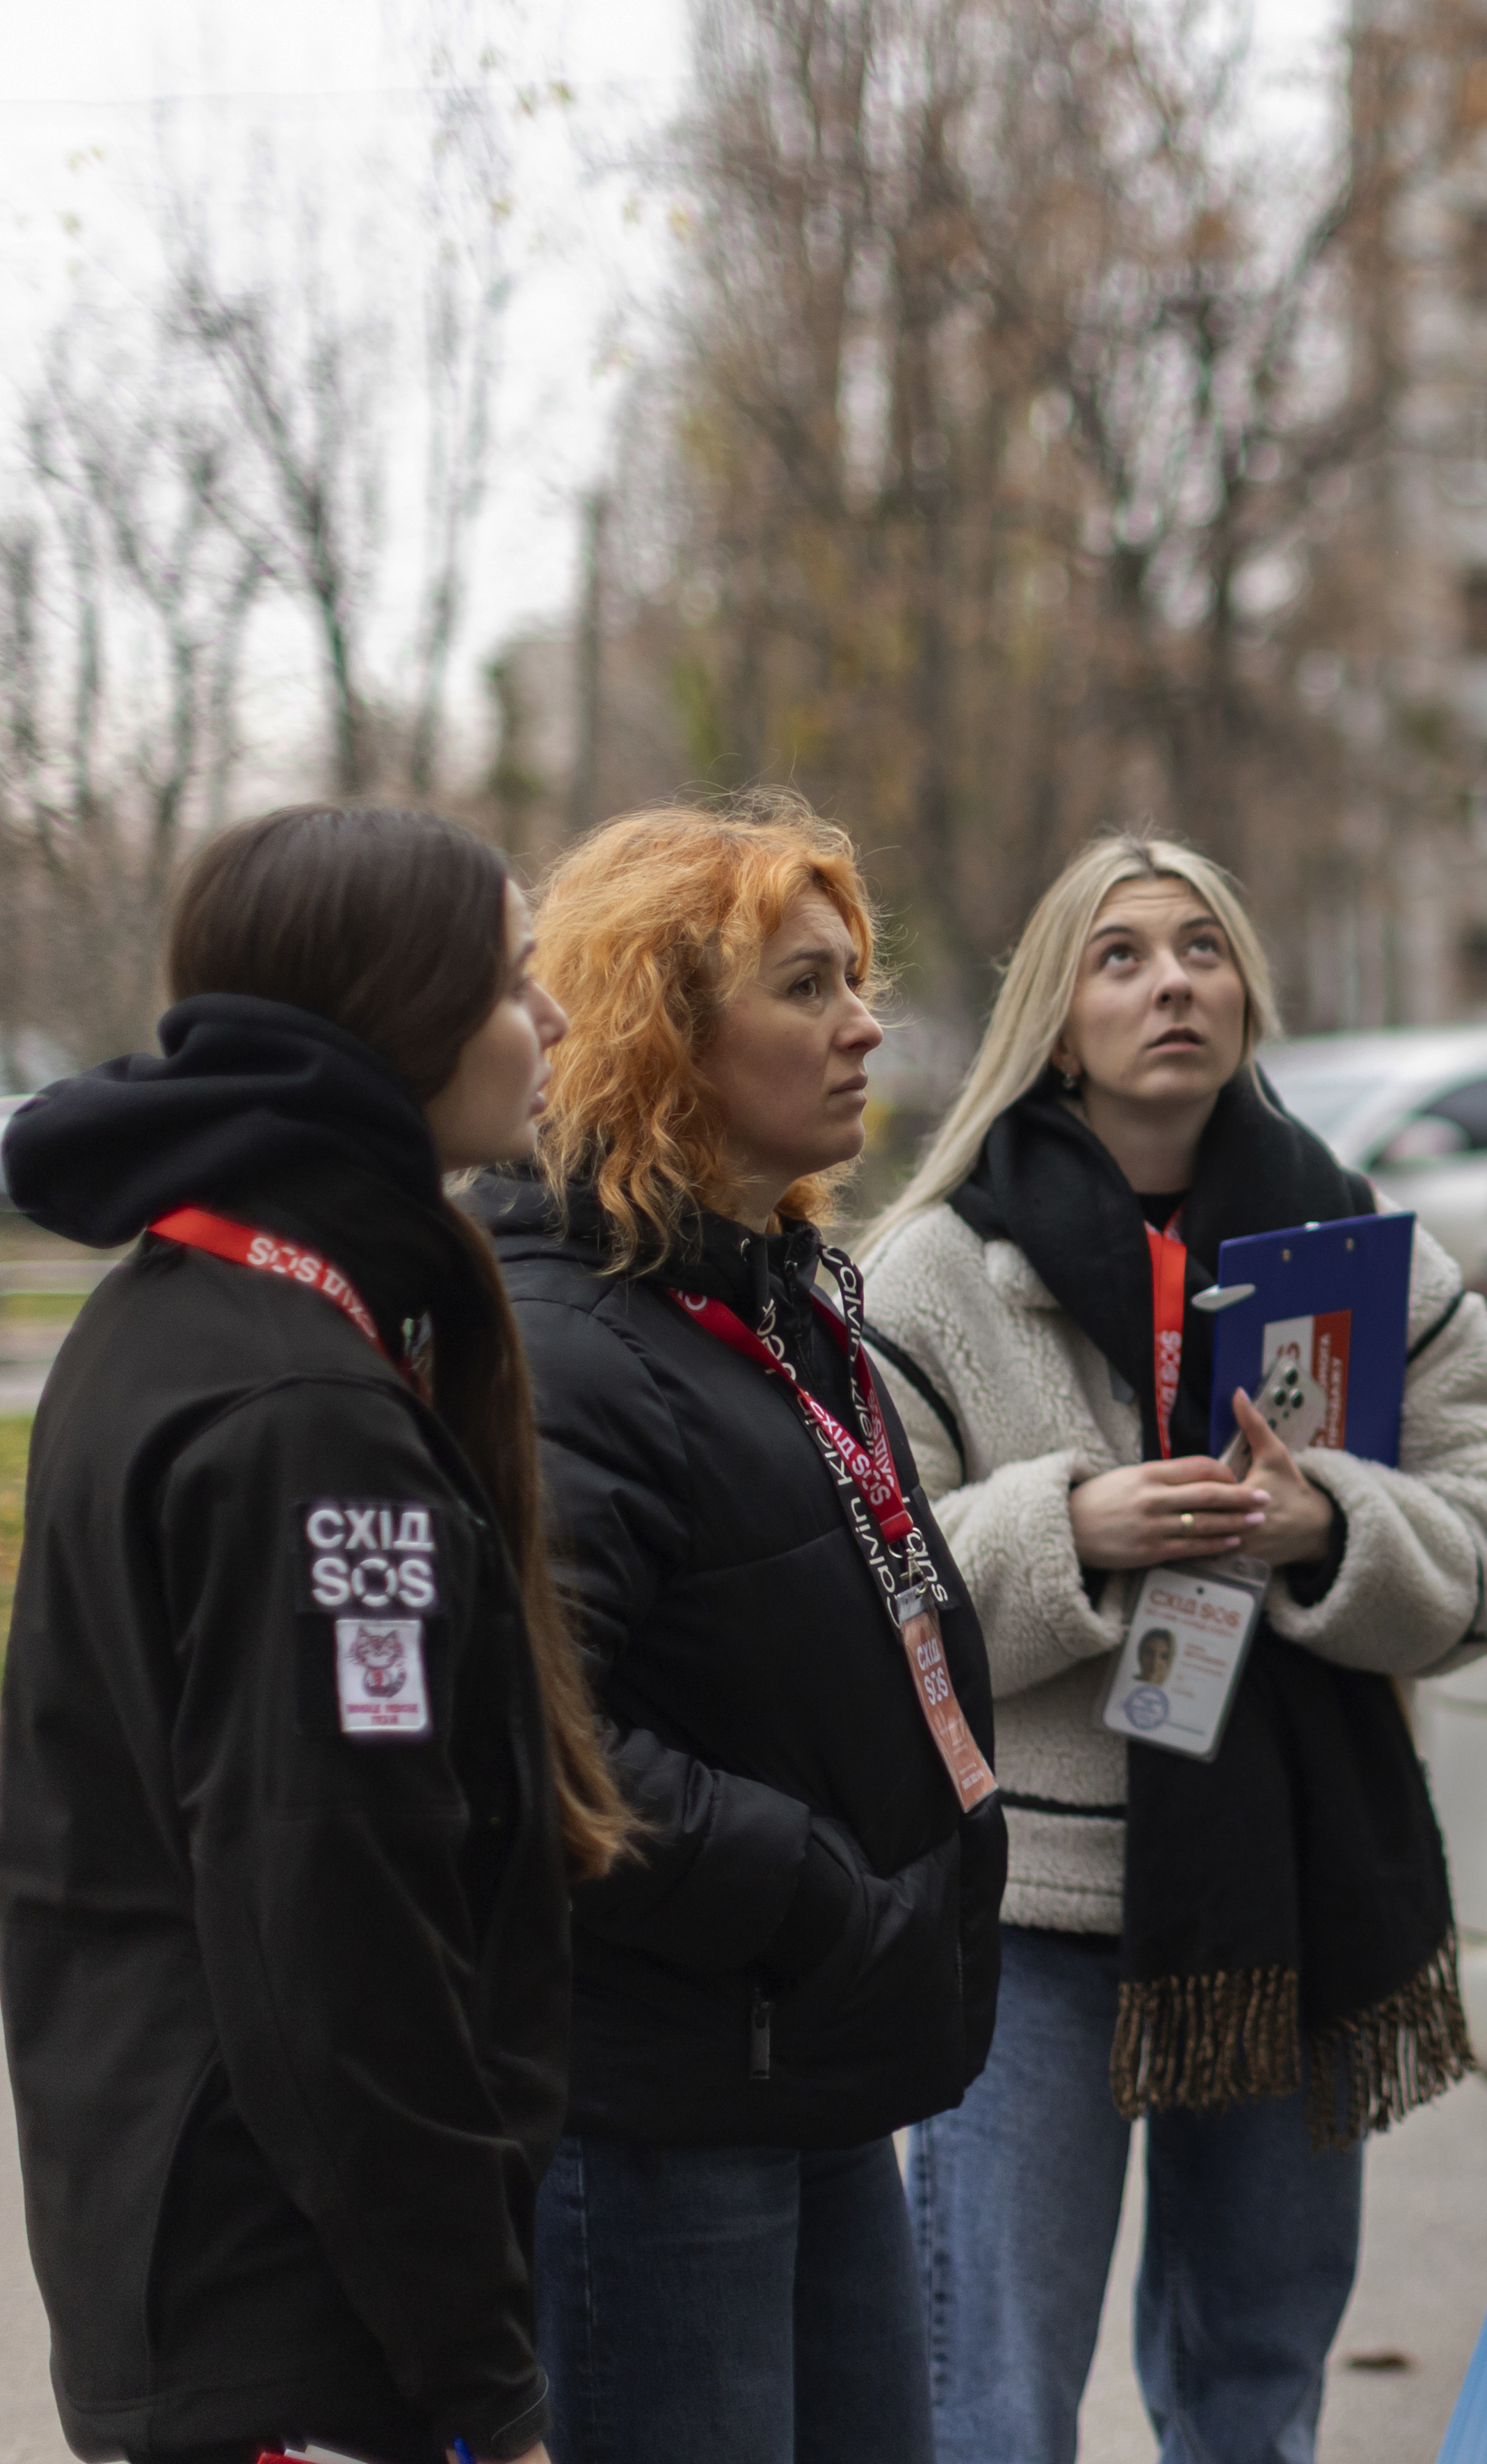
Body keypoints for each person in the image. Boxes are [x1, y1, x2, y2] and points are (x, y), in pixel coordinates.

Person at [864, 833, 1487, 2464]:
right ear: (1057, 1011)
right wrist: (1068, 1530)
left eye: (1202, 949)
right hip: (1026, 1912)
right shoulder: (939, 1268)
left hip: (1293, 1893)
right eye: (1122, 955)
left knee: (1256, 2385)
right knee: (993, 2402)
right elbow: (862, 1579)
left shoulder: (1358, 1244)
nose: (1172, 980)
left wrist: (1333, 1532)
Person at [0, 804, 629, 2464]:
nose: (552, 1021)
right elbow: (338, 1939)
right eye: (513, 981)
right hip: (294, 2318)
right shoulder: (300, 1413)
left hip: (224, 2280)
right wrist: (484, 2376)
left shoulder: (187, 1309)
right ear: (395, 1019)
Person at [471, 794, 1006, 2464]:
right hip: (664, 2103)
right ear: (661, 1034)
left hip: (799, 2063)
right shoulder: (570, 1342)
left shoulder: (765, 1293)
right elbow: (546, 1750)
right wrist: (818, 1895)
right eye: (805, 986)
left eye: (856, 978)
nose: (863, 1025)